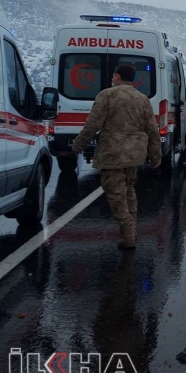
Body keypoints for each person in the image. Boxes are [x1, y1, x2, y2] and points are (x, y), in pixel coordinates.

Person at [70, 65, 162, 249]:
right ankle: (132, 231)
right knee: (129, 192)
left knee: (116, 196)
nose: (112, 77)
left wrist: (78, 144)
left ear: (118, 76)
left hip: (112, 154)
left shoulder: (107, 96)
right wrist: (155, 155)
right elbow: (152, 130)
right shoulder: (143, 99)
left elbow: (92, 125)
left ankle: (128, 236)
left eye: (113, 75)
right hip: (134, 155)